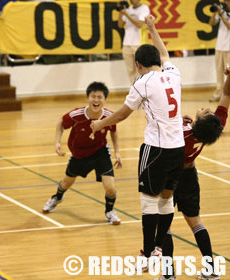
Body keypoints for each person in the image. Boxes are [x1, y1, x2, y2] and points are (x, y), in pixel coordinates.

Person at [90, 15, 185, 264]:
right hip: (178, 148)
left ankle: (147, 251)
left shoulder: (142, 82)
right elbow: (164, 55)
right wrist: (153, 29)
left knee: (148, 201)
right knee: (166, 199)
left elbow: (122, 114)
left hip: (156, 148)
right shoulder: (173, 75)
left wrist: (100, 123)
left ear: (138, 63)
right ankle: (159, 248)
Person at [154, 66, 230, 280]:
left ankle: (168, 274)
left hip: (170, 178)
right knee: (195, 222)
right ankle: (211, 270)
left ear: (198, 123)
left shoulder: (182, 132)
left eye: (205, 112)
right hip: (189, 177)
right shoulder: (212, 129)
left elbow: (160, 124)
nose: (205, 110)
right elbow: (226, 94)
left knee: (164, 224)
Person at [42, 82, 122, 225]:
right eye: (93, 96)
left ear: (104, 100)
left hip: (100, 152)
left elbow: (113, 131)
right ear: (88, 98)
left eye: (100, 97)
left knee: (110, 188)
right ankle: (57, 197)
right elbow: (61, 122)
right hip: (79, 153)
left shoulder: (109, 116)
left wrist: (117, 152)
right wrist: (57, 143)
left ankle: (109, 211)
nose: (96, 100)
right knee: (67, 182)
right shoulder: (77, 115)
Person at [118, 0, 150, 84]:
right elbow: (120, 25)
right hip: (126, 44)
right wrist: (120, 12)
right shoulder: (128, 9)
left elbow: (139, 24)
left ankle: (143, 90)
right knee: (130, 71)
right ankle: (134, 90)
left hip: (138, 44)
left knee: (141, 70)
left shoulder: (144, 8)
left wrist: (126, 14)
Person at [208, 0, 230, 102]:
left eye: (228, 1)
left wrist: (221, 14)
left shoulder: (223, 14)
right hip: (219, 47)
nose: (226, 2)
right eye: (225, 1)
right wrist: (215, 13)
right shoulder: (222, 12)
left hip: (229, 48)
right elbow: (211, 23)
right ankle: (218, 94)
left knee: (229, 73)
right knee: (219, 72)